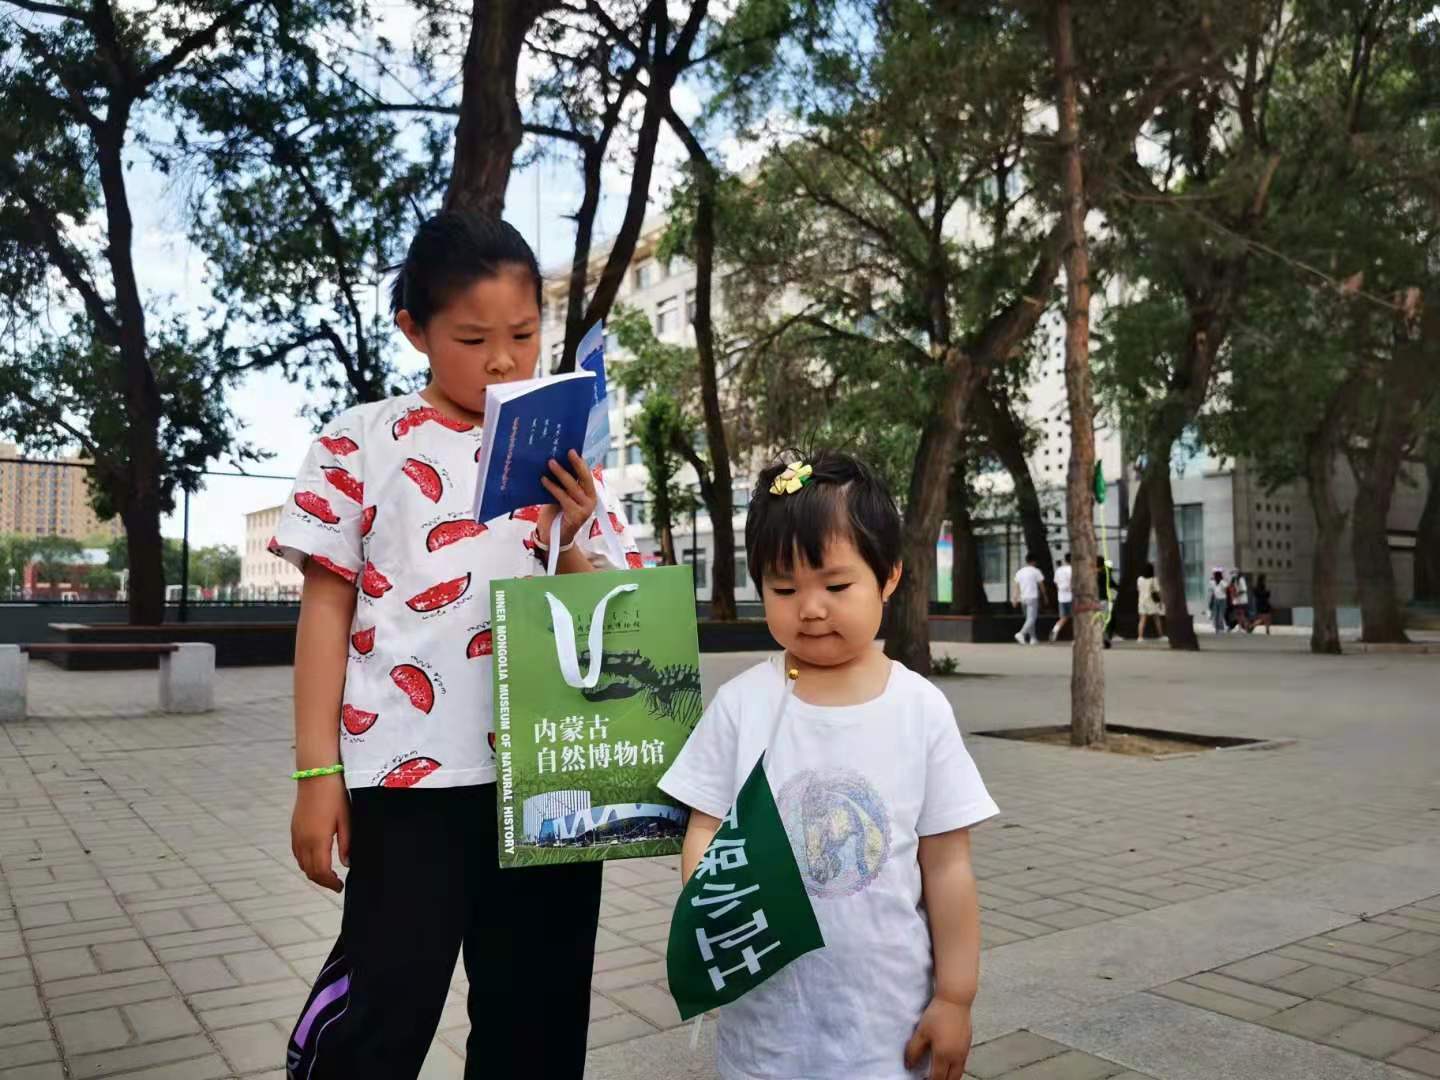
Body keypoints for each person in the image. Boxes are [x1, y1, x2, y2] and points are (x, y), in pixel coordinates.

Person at [275, 212, 640, 1080]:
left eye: (524, 333)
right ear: (415, 330)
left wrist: (571, 534)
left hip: (552, 778)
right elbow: (326, 611)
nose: (504, 360)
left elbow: (613, 615)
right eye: (473, 339)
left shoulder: (569, 454)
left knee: (538, 1020)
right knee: (384, 1006)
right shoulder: (359, 441)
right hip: (408, 785)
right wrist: (316, 773)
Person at [659, 451, 998, 1080]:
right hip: (766, 1026)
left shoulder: (919, 709)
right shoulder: (741, 705)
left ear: (889, 576)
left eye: (836, 587)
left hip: (887, 1027)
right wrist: (717, 924)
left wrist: (956, 997)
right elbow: (704, 826)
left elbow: (948, 864)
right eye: (784, 590)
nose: (810, 608)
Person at [1012, 551, 1048, 645]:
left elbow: (1016, 586)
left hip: (1023, 598)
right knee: (1032, 618)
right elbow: (1041, 585)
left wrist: (1015, 598)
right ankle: (1021, 633)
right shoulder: (1036, 571)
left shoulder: (1020, 572)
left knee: (1029, 619)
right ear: (1034, 561)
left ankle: (1033, 638)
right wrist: (1045, 596)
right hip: (1032, 597)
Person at [1135, 561, 1165, 642]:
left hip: (1142, 601)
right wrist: (1161, 600)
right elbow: (1157, 591)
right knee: (1157, 619)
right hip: (1151, 601)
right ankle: (1161, 635)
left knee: (1142, 619)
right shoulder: (1154, 579)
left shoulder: (1139, 579)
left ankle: (1140, 637)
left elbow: (1138, 589)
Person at [1050, 553, 1073, 641]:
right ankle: (1077, 636)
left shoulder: (1059, 570)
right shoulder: (1073, 569)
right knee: (1077, 617)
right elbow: (1072, 582)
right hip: (1071, 597)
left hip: (1061, 597)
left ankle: (1055, 630)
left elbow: (1056, 583)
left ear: (1065, 560)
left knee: (1064, 617)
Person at [1097, 554, 1116, 648]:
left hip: (1094, 600)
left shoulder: (1092, 574)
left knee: (1098, 620)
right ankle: (1104, 640)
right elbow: (1112, 584)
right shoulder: (1105, 574)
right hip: (1104, 599)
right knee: (1104, 621)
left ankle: (1102, 639)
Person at [1229, 569, 1252, 633]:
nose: (1232, 575)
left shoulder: (1241, 579)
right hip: (1237, 600)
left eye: (1233, 573)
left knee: (1242, 614)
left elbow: (1244, 590)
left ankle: (1246, 627)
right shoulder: (1234, 580)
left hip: (1242, 600)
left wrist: (1236, 594)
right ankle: (1240, 627)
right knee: (1237, 614)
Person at [1210, 568, 1229, 634]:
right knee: (1218, 614)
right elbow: (1225, 588)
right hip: (1219, 599)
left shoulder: (1218, 582)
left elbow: (1225, 589)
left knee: (1218, 614)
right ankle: (1219, 628)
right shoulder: (1218, 582)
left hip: (1219, 599)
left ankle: (1219, 628)